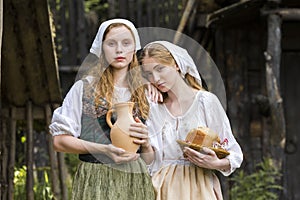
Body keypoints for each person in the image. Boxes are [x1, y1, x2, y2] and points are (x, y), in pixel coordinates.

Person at [49, 18, 156, 200]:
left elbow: (149, 160)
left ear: (134, 48)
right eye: (111, 43)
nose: (119, 50)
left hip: (135, 181)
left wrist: (145, 144)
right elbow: (59, 141)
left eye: (126, 43)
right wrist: (103, 150)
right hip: (95, 178)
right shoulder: (84, 89)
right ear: (101, 48)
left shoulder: (145, 94)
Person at [139, 41, 243, 200]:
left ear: (176, 65)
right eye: (149, 74)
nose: (155, 78)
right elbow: (151, 162)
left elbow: (234, 154)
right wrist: (146, 144)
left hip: (200, 187)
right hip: (162, 189)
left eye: (160, 69)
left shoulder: (206, 102)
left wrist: (215, 163)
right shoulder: (154, 108)